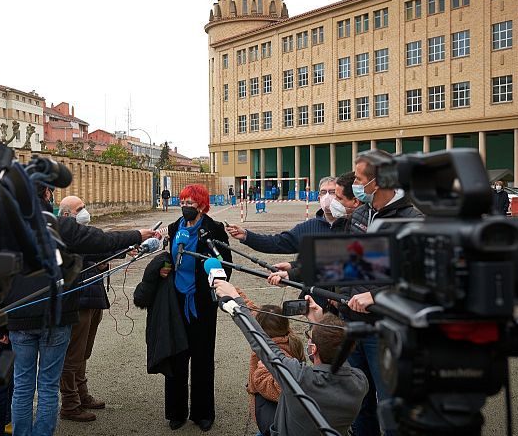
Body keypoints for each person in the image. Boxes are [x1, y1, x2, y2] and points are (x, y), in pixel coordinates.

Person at [4, 185, 157, 436]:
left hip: (20, 317)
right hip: (54, 316)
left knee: (23, 385)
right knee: (47, 386)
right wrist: (137, 234)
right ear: (46, 195)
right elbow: (100, 239)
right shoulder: (60, 226)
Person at [135, 184, 232, 432]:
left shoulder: (214, 229)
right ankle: (176, 412)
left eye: (191, 202)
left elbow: (225, 266)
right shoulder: (175, 226)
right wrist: (165, 266)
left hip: (201, 303)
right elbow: (171, 256)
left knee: (202, 358)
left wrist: (213, 273)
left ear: (202, 204)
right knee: (177, 355)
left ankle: (203, 413)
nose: (186, 206)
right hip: (176, 301)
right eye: (184, 201)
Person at [213, 281, 368, 436]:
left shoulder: (299, 378)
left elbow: (260, 341)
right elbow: (338, 354)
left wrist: (234, 299)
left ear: (313, 349)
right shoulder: (360, 382)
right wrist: (319, 323)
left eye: (310, 337)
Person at [347, 149, 423, 436]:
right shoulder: (362, 213)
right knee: (359, 404)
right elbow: (347, 262)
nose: (354, 184)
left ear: (376, 183)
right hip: (354, 325)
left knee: (391, 407)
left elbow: (421, 280)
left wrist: (377, 296)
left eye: (358, 178)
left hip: (387, 332)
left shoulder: (411, 220)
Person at [57, 196, 115, 422]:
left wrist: (103, 262)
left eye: (84, 207)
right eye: (79, 209)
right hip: (76, 302)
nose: (85, 212)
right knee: (72, 355)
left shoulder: (87, 234)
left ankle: (82, 395)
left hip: (93, 299)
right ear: (65, 215)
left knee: (84, 353)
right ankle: (70, 404)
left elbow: (100, 252)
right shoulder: (62, 236)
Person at [265, 172, 362, 287]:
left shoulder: (357, 225)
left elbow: (343, 263)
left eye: (336, 196)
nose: (331, 199)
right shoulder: (310, 225)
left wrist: (292, 274)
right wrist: (294, 266)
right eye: (323, 192)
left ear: (355, 201)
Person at [235, 290, 305, 436]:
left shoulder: (279, 356)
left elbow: (279, 391)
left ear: (261, 333)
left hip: (273, 414)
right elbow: (250, 311)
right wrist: (233, 293)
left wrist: (260, 372)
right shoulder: (282, 333)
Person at [226, 177, 338, 254]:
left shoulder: (352, 224)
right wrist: (247, 236)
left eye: (332, 192)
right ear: (319, 198)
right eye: (324, 192)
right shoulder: (308, 228)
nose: (327, 196)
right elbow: (277, 242)